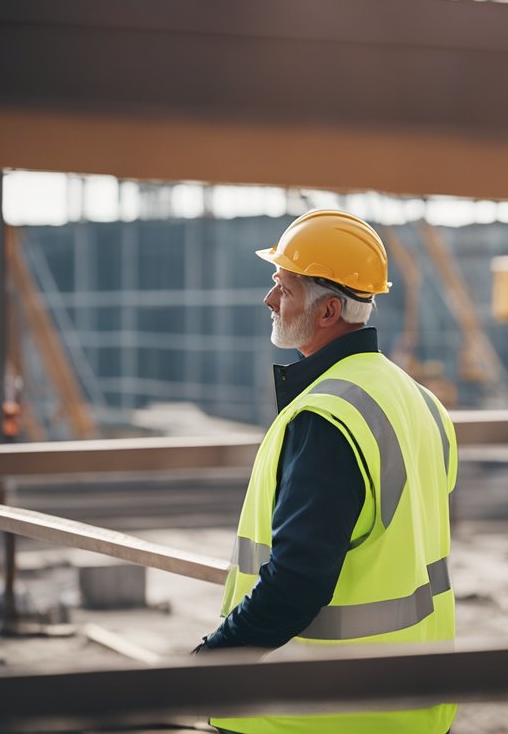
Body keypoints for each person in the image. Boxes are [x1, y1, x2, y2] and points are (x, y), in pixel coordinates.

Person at [194, 209, 458, 734]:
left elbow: (296, 582)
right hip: (414, 708)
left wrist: (209, 664)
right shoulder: (420, 401)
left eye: (284, 289)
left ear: (328, 311)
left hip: (311, 716)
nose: (270, 300)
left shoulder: (327, 418)